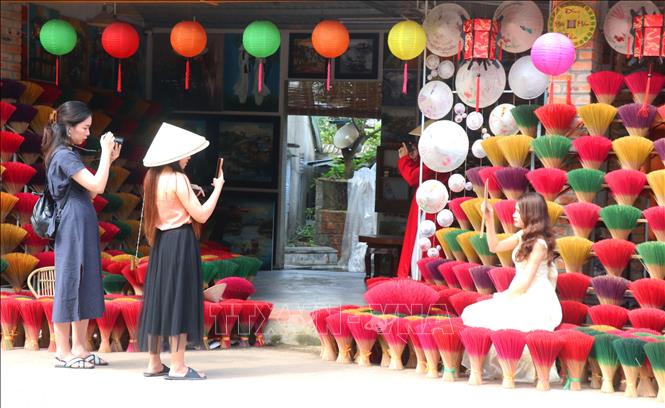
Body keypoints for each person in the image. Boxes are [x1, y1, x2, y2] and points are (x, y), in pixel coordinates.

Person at [138, 123, 224, 380]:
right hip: (181, 243)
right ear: (175, 155)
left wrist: (191, 191)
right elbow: (202, 215)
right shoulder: (178, 179)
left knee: (159, 300)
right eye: (186, 153)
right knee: (180, 301)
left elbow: (170, 203)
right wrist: (217, 187)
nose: (188, 157)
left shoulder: (152, 179)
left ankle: (154, 362)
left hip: (162, 244)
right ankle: (178, 367)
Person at [44, 101, 121, 369]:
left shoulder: (68, 153)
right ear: (69, 127)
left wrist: (107, 160)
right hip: (73, 222)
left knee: (85, 279)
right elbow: (97, 185)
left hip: (82, 218)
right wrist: (104, 154)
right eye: (85, 127)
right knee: (69, 281)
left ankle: (79, 347)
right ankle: (63, 351)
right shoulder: (63, 155)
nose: (88, 133)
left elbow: (90, 192)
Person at [461, 192, 562, 383]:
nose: (513, 215)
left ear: (530, 213)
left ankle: (512, 369)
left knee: (495, 315)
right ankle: (498, 368)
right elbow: (495, 246)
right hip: (519, 291)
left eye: (518, 211)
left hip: (535, 297)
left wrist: (504, 297)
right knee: (475, 312)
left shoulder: (539, 244)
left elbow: (527, 281)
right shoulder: (523, 235)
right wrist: (489, 219)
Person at [396, 141, 448, 278]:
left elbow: (414, 177)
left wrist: (404, 160)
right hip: (430, 202)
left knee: (422, 242)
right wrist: (414, 160)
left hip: (431, 204)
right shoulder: (441, 158)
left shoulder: (437, 159)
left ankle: (419, 277)